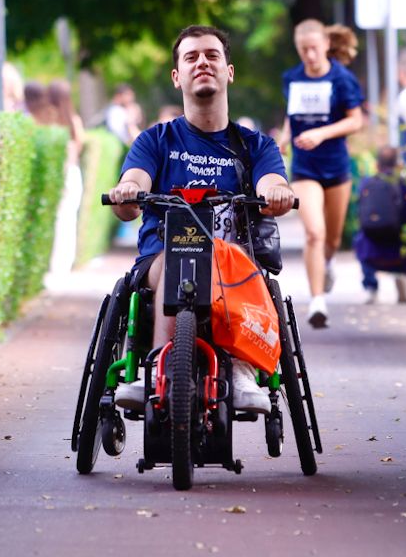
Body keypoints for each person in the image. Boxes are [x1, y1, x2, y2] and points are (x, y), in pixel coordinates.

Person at [107, 25, 296, 414]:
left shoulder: (255, 145)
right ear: (177, 77)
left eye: (212, 55)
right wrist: (127, 191)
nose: (202, 63)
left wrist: (277, 191)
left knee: (228, 262)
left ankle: (243, 368)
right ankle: (156, 371)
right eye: (191, 57)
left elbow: (272, 179)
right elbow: (133, 184)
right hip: (163, 259)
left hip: (237, 265)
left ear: (229, 71)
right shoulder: (155, 141)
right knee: (182, 259)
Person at [278, 19, 365, 328]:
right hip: (305, 168)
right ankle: (318, 302)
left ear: (326, 45)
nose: (310, 55)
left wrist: (322, 134)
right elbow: (292, 116)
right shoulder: (291, 78)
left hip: (336, 167)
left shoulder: (342, 79)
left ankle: (327, 263)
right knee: (315, 233)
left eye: (314, 48)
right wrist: (285, 138)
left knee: (332, 238)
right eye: (303, 50)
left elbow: (356, 121)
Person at [353, 146, 406, 304]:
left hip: (371, 246)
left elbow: (360, 211)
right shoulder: (403, 184)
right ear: (397, 164)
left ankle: (371, 287)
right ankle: (405, 276)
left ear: (377, 164)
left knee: (361, 243)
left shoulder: (367, 183)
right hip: (398, 246)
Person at [48, 79, 86, 277]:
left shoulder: (50, 121)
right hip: (73, 173)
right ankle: (64, 264)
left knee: (58, 220)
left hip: (61, 174)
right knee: (68, 219)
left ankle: (56, 265)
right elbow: (78, 146)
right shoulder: (73, 120)